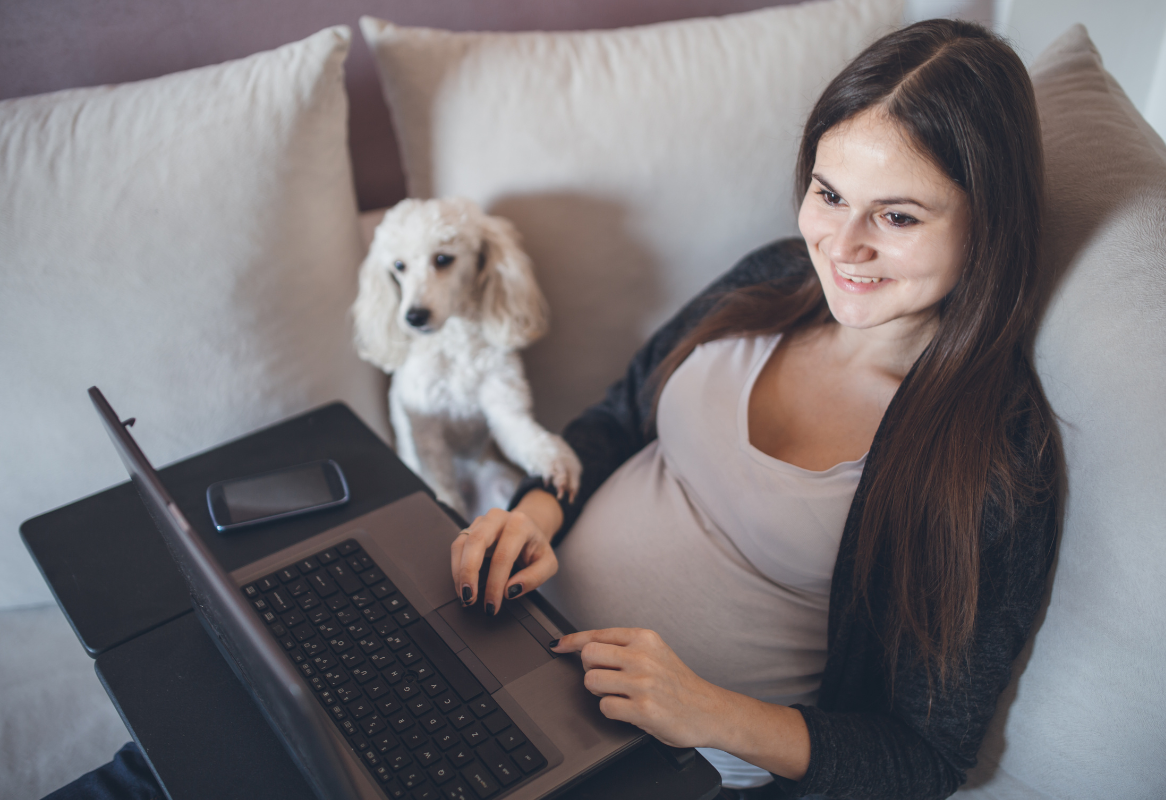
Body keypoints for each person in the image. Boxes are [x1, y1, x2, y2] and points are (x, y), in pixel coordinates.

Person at [450, 18, 1060, 800]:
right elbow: (615, 418)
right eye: (829, 193)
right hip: (513, 637)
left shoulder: (996, 462)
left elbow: (924, 758)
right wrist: (534, 515)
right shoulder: (772, 277)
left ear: (990, 223)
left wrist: (704, 711)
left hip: (655, 763)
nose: (841, 246)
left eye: (898, 216)